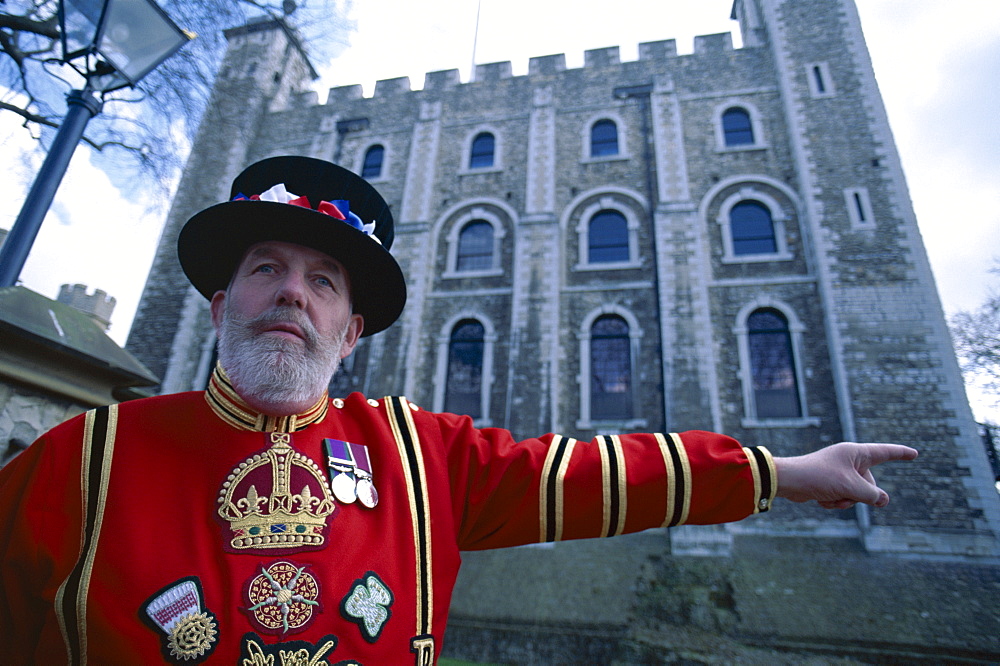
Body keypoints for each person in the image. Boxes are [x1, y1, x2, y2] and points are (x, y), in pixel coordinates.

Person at [0, 156, 917, 664]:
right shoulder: (86, 454)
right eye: (266, 269)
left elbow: (591, 476)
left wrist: (783, 474)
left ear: (349, 332)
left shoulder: (414, 453)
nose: (293, 294)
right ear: (220, 304)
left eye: (323, 281)